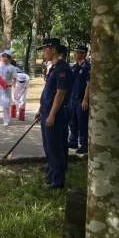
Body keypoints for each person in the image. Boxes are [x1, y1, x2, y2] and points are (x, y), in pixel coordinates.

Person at [35, 38, 72, 190]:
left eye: (45, 49)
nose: (43, 52)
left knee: (54, 147)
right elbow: (48, 93)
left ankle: (58, 181)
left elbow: (60, 94)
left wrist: (51, 114)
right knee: (49, 146)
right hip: (47, 112)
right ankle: (51, 174)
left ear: (53, 50)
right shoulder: (54, 67)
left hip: (55, 115)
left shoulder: (62, 68)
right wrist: (40, 110)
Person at [68, 44, 91, 154]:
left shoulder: (87, 67)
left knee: (82, 122)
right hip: (73, 98)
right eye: (75, 52)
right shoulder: (75, 67)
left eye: (77, 52)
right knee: (73, 121)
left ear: (84, 54)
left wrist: (85, 99)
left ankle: (84, 143)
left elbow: (89, 84)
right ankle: (73, 140)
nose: (75, 54)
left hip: (82, 98)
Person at [0, 49, 18, 126]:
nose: (5, 59)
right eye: (4, 57)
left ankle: (6, 120)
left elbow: (14, 78)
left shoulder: (12, 68)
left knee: (5, 105)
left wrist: (12, 84)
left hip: (6, 88)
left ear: (10, 59)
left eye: (7, 58)